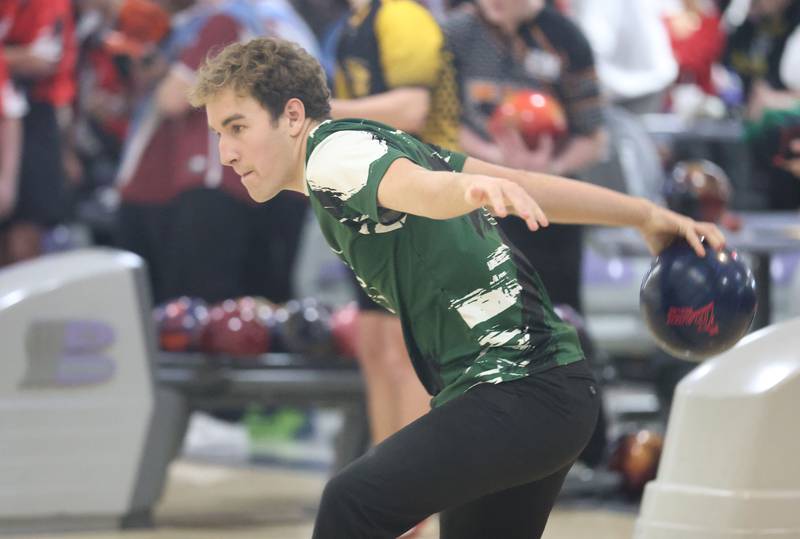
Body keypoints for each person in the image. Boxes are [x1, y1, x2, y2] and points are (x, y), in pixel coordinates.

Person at [189, 37, 725, 539]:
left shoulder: (332, 157)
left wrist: (464, 191)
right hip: (552, 393)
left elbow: (421, 189)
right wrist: (644, 214)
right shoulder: (372, 143)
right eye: (218, 134)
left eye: (237, 127)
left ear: (292, 116)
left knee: (350, 503)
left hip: (517, 390)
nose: (225, 153)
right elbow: (523, 185)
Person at [329, 0, 459, 457]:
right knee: (375, 345)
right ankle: (386, 474)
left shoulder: (402, 15)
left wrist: (322, 113)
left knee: (407, 352)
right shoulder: (355, 23)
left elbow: (411, 109)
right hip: (375, 191)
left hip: (420, 189)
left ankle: (412, 485)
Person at [443, 0, 606, 313]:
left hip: (548, 205)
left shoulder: (565, 37)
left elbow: (593, 137)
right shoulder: (455, 33)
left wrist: (551, 167)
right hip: (475, 199)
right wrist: (492, 157)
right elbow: (441, 120)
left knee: (557, 314)